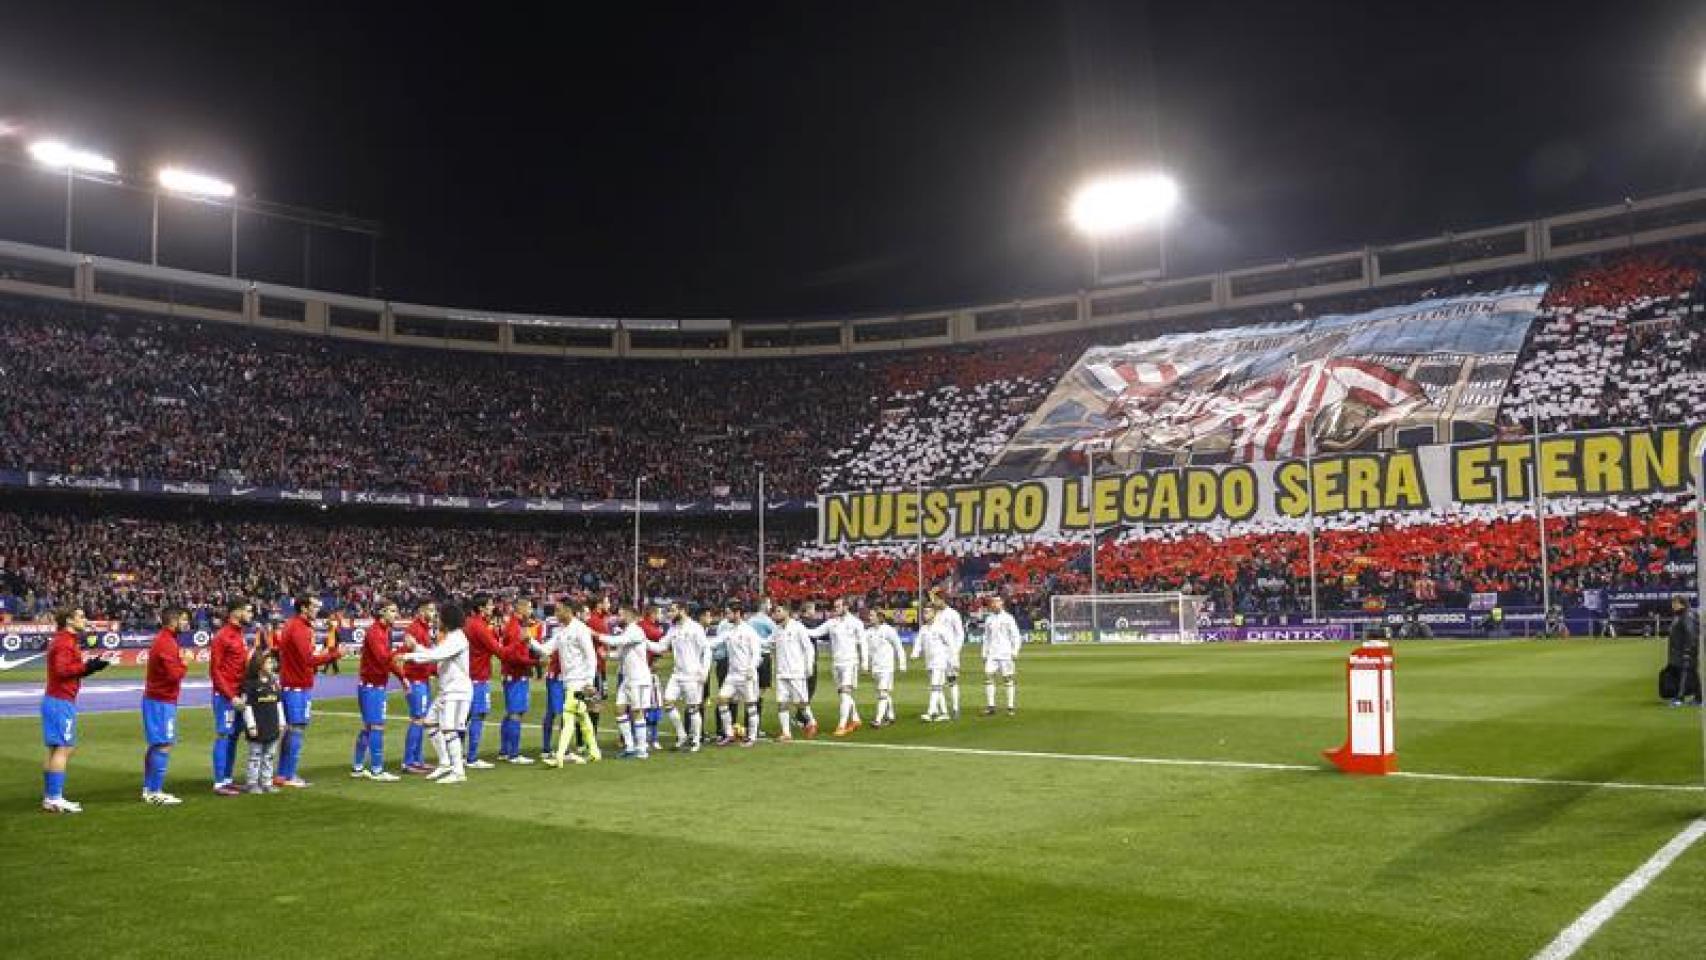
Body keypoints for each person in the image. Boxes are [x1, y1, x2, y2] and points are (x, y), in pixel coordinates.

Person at [40, 607, 109, 813]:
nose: (84, 619)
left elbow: (67, 671)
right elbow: (63, 671)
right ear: (69, 620)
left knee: (55, 749)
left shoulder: (63, 640)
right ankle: (55, 797)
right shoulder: (64, 642)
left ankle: (50, 797)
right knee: (64, 748)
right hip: (61, 700)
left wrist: (89, 668)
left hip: (55, 699)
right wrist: (87, 667)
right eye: (80, 616)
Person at [401, 603, 474, 784]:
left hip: (457, 691)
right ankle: (445, 763)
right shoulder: (451, 638)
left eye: (440, 617)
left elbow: (435, 656)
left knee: (449, 729)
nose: (437, 619)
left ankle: (458, 771)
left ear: (447, 620)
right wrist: (416, 647)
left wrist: (407, 656)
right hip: (447, 691)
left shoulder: (457, 638)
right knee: (430, 722)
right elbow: (435, 653)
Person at [274, 594, 336, 788]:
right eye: (315, 606)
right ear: (304, 608)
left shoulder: (296, 626)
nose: (318, 609)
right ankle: (288, 774)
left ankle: (283, 774)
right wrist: (334, 654)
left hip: (296, 684)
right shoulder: (298, 628)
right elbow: (308, 659)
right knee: (296, 730)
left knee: (293, 730)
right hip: (296, 687)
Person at [534, 601, 602, 767]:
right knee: (583, 717)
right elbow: (546, 649)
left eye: (558, 610)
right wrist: (529, 641)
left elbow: (591, 656)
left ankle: (559, 757)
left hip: (579, 682)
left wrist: (589, 682)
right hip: (568, 680)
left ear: (568, 610)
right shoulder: (561, 631)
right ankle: (594, 751)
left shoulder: (580, 629)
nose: (555, 614)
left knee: (568, 716)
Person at [598, 604, 667, 759]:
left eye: (621, 614)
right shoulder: (628, 631)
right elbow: (621, 653)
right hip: (628, 678)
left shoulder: (636, 630)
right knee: (619, 709)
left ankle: (642, 749)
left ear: (629, 616)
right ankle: (630, 746)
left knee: (637, 712)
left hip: (639, 678)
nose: (618, 618)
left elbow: (619, 641)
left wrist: (598, 636)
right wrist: (607, 655)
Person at [352, 600, 408, 781]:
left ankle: (358, 767)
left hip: (372, 687)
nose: (396, 615)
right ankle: (377, 770)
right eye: (392, 611)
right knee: (376, 727)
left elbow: (387, 661)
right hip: (372, 688)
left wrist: (402, 677)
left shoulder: (383, 631)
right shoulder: (376, 632)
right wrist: (404, 647)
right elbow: (384, 658)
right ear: (382, 612)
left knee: (369, 727)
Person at [140, 607, 190, 805]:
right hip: (161, 700)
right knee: (164, 743)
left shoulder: (165, 640)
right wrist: (185, 662)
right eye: (184, 619)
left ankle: (149, 788)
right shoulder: (166, 643)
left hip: (158, 699)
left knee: (157, 744)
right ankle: (154, 791)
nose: (187, 624)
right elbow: (174, 675)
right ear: (174, 620)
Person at [208, 598, 253, 796]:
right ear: (236, 612)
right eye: (248, 611)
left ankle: (227, 779)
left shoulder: (240, 635)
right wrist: (230, 695)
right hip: (226, 696)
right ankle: (219, 783)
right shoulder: (222, 636)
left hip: (238, 695)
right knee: (224, 735)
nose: (251, 615)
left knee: (234, 737)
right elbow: (215, 671)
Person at [807, 598, 866, 736]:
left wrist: (865, 663)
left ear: (846, 607)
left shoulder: (856, 623)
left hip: (850, 662)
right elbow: (815, 632)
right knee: (843, 694)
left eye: (838, 607)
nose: (836, 609)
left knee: (845, 693)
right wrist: (798, 628)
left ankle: (841, 726)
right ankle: (856, 719)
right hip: (836, 663)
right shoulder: (832, 623)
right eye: (835, 607)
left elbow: (863, 643)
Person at [661, 601, 710, 752]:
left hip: (692, 675)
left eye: (673, 610)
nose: (670, 614)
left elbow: (707, 650)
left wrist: (704, 671)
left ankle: (695, 741)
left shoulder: (695, 628)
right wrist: (644, 642)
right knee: (668, 702)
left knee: (693, 708)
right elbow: (662, 645)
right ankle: (682, 735)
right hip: (677, 674)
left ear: (682, 611)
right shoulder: (673, 629)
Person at [497, 599, 540, 764]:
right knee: (516, 713)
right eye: (529, 606)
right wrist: (536, 663)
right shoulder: (515, 629)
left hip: (512, 675)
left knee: (511, 712)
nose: (531, 609)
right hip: (515, 676)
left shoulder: (516, 626)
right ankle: (513, 754)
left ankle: (505, 751)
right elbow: (515, 657)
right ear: (520, 609)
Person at [463, 595, 503, 769]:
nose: (492, 607)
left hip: (467, 676)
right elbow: (498, 650)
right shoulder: (479, 626)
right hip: (478, 677)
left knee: (464, 718)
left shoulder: (468, 624)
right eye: (489, 604)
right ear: (481, 608)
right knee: (478, 715)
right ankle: (471, 758)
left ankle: (457, 756)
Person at [716, 603, 763, 747]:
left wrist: (751, 668)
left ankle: (752, 737)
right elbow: (715, 642)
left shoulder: (749, 631)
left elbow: (756, 653)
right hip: (732, 675)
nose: (726, 616)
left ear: (737, 613)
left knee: (750, 705)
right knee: (722, 699)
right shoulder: (729, 631)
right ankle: (729, 734)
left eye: (729, 613)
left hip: (747, 674)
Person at [771, 604, 819, 742]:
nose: (776, 614)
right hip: (781, 673)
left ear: (787, 612)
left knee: (800, 703)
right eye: (775, 611)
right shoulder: (777, 630)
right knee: (781, 703)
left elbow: (808, 648)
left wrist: (809, 665)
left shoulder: (798, 627)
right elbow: (769, 643)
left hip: (796, 672)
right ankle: (786, 733)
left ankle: (811, 722)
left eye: (779, 611)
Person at [401, 602, 438, 774]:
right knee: (417, 719)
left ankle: (417, 759)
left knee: (421, 719)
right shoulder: (414, 629)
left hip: (422, 679)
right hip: (415, 680)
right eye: (430, 610)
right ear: (421, 610)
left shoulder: (423, 629)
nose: (434, 612)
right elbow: (416, 657)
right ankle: (408, 762)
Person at [241, 647, 285, 794]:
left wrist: (281, 721)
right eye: (268, 663)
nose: (271, 665)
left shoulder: (274, 683)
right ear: (259, 666)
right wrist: (251, 725)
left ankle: (266, 781)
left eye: (272, 663)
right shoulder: (250, 685)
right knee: (255, 756)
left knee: (270, 755)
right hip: (258, 726)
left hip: (272, 725)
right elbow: (246, 706)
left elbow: (278, 703)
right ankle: (252, 783)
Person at [863, 609, 906, 727]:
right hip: (875, 667)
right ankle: (891, 715)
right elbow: (864, 649)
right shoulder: (868, 632)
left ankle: (878, 720)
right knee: (882, 692)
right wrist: (866, 664)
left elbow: (898, 646)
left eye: (872, 615)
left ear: (879, 617)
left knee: (882, 692)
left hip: (886, 667)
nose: (869, 617)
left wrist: (902, 664)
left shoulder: (888, 630)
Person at [980, 596, 1023, 716]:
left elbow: (1016, 636)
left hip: (1005, 653)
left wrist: (1015, 651)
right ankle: (991, 706)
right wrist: (984, 652)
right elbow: (986, 637)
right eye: (993, 602)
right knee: (988, 677)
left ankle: (1010, 707)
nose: (994, 604)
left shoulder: (1009, 618)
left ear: (1001, 604)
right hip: (992, 654)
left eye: (996, 602)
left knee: (1008, 679)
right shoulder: (989, 619)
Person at [913, 605, 953, 722]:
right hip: (929, 661)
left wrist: (951, 660)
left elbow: (950, 644)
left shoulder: (941, 628)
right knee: (938, 688)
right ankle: (945, 713)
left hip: (940, 661)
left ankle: (930, 713)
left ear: (934, 614)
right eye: (924, 612)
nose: (925, 615)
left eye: (928, 612)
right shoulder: (924, 629)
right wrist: (915, 653)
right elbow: (918, 642)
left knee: (935, 686)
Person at [931, 594, 966, 719]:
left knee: (952, 681)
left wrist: (955, 651)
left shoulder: (953, 614)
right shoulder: (936, 614)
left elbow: (960, 634)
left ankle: (955, 708)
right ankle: (940, 710)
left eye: (936, 600)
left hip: (950, 653)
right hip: (938, 654)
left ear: (942, 600)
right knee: (937, 682)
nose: (934, 602)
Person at [1664, 596, 1702, 706]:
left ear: (1682, 604)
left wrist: (1688, 651)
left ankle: (1680, 698)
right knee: (1692, 673)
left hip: (1685, 651)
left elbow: (1691, 634)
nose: (1673, 605)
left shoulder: (1687, 616)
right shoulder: (1680, 616)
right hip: (1679, 651)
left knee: (1684, 673)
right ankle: (1699, 697)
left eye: (1675, 603)